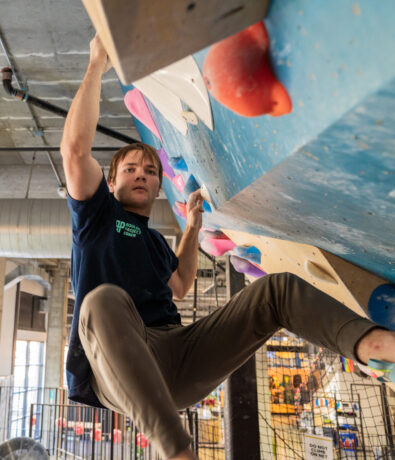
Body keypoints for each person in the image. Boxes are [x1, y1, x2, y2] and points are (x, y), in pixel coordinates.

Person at [61, 35, 395, 460]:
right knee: (101, 301)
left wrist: (193, 227)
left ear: (159, 185)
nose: (142, 174)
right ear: (111, 183)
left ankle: (375, 347)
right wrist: (95, 65)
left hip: (178, 359)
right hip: (116, 366)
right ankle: (176, 451)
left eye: (150, 170)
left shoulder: (152, 241)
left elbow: (180, 283)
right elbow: (74, 151)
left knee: (276, 291)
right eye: (130, 169)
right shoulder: (96, 218)